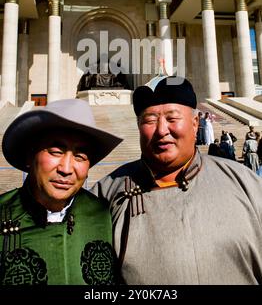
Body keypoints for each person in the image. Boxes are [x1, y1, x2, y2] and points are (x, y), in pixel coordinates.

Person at [92, 76, 262, 285]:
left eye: (172, 119)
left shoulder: (245, 183)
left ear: (194, 123)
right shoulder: (104, 195)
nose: (162, 130)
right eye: (150, 120)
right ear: (138, 127)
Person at [0, 99, 122, 285]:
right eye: (56, 151)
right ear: (30, 156)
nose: (66, 168)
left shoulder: (104, 215)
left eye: (80, 156)